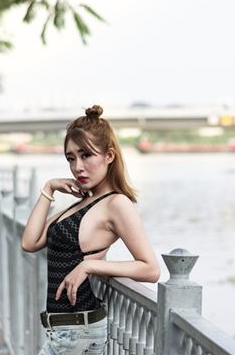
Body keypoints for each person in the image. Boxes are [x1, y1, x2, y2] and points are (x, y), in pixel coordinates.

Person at [21, 105, 160, 355]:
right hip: (62, 331)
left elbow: (150, 269)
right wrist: (49, 188)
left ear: (109, 156)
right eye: (71, 158)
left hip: (79, 332)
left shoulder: (117, 204)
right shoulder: (82, 203)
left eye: (86, 155)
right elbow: (30, 242)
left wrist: (90, 266)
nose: (77, 167)